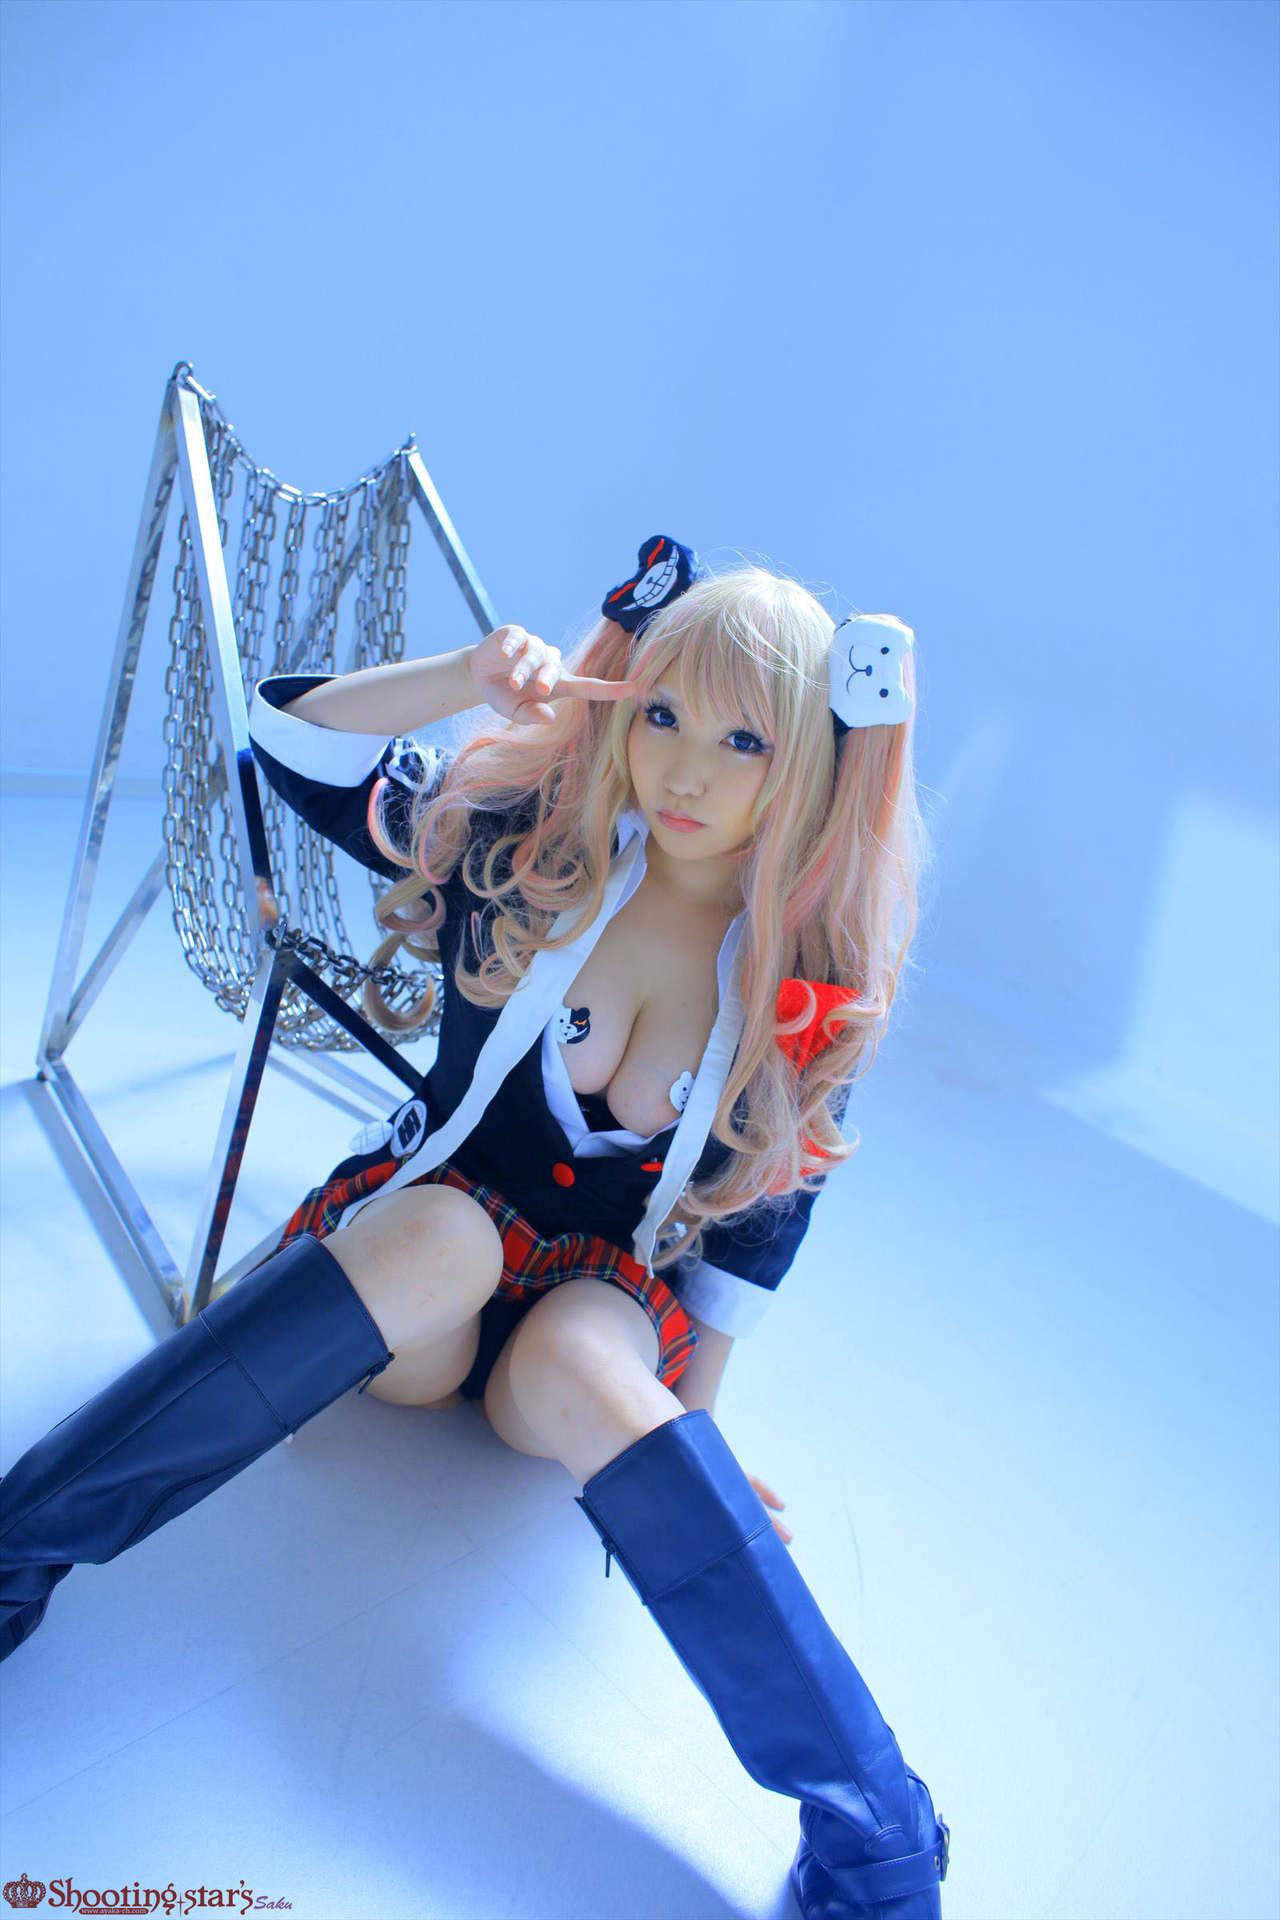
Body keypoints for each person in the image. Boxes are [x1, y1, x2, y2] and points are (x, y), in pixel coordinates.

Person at [0, 537, 950, 1917]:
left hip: (587, 1318)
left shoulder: (800, 984)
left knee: (583, 1351)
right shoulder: (528, 849)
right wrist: (466, 673)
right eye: (664, 715)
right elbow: (287, 743)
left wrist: (697, 1433)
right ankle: (14, 1547)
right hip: (418, 1287)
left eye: (742, 741)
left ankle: (879, 1833)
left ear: (807, 764)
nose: (685, 772)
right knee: (449, 1234)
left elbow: (760, 1233)